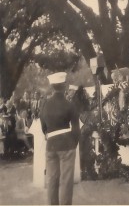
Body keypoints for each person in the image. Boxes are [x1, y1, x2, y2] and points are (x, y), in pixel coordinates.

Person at [40, 72, 80, 205]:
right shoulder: (70, 105)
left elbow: (43, 127)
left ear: (52, 86)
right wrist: (73, 143)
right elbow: (76, 129)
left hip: (50, 145)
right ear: (64, 86)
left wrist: (49, 135)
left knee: (51, 180)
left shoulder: (45, 105)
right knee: (66, 181)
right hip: (67, 145)